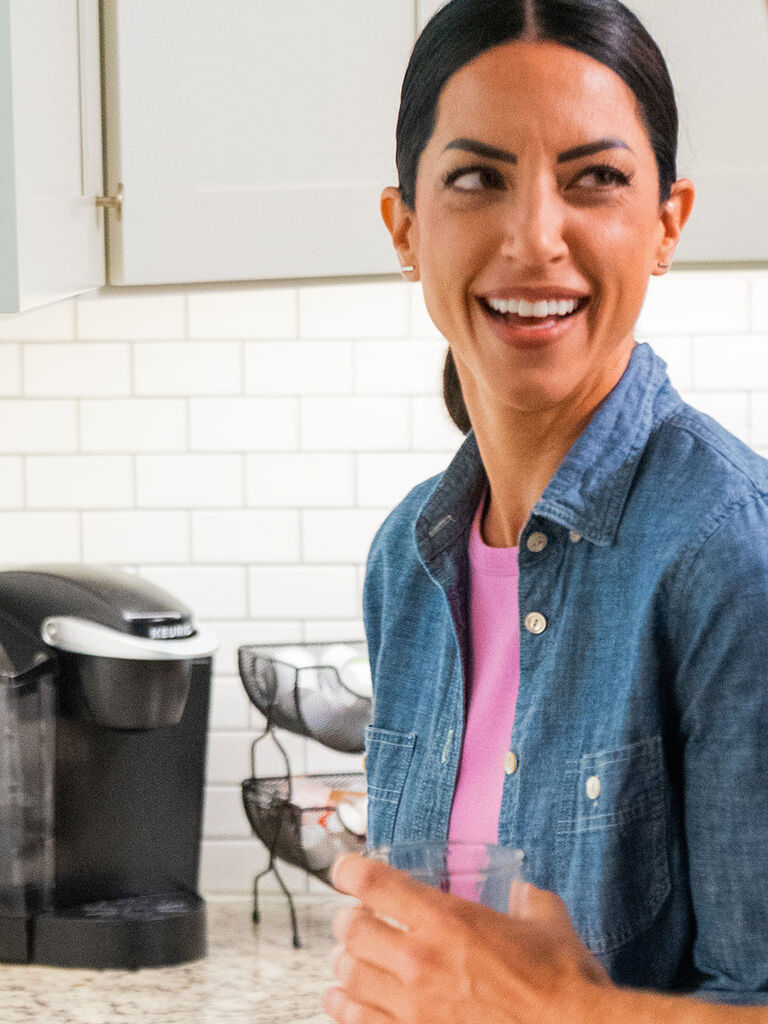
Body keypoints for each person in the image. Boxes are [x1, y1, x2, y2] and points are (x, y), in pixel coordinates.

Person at [321, 0, 768, 1019]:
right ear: (404, 227)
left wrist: (573, 1009)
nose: (534, 237)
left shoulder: (733, 553)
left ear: (666, 223)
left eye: (595, 180)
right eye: (478, 178)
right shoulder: (407, 561)